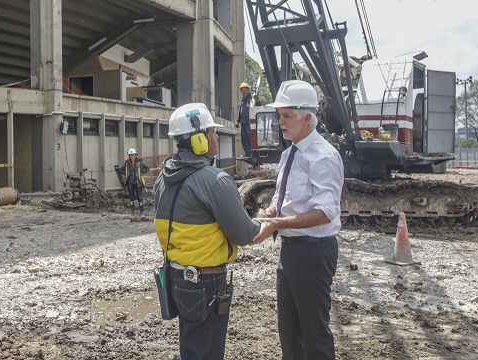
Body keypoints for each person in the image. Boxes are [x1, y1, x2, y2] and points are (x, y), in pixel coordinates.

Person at [153, 102, 264, 359]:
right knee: (206, 352)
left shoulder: (163, 179)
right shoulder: (216, 181)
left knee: (192, 348)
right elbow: (244, 234)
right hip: (206, 282)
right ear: (200, 140)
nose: (215, 138)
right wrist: (264, 222)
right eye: (212, 133)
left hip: (177, 278)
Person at [252, 80, 344, 360]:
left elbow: (325, 212)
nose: (280, 121)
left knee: (314, 334)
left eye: (286, 115)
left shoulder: (323, 157)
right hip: (291, 252)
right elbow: (282, 196)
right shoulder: (289, 153)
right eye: (279, 115)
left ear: (307, 118)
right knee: (289, 332)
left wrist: (279, 224)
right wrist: (271, 212)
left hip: (314, 253)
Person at [118, 148, 150, 217]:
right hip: (130, 183)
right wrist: (126, 174)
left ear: (136, 155)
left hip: (138, 182)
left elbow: (147, 167)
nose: (132, 156)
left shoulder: (139, 163)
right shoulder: (126, 163)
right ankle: (132, 212)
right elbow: (120, 169)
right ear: (129, 156)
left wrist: (142, 172)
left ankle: (142, 212)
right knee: (131, 197)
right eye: (131, 155)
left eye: (133, 155)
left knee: (139, 197)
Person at [237, 82, 253, 157]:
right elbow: (240, 112)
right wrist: (238, 121)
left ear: (248, 90)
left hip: (249, 123)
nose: (244, 92)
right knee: (244, 140)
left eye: (245, 90)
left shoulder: (252, 100)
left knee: (250, 140)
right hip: (243, 123)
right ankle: (248, 153)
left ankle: (252, 153)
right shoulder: (241, 102)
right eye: (242, 90)